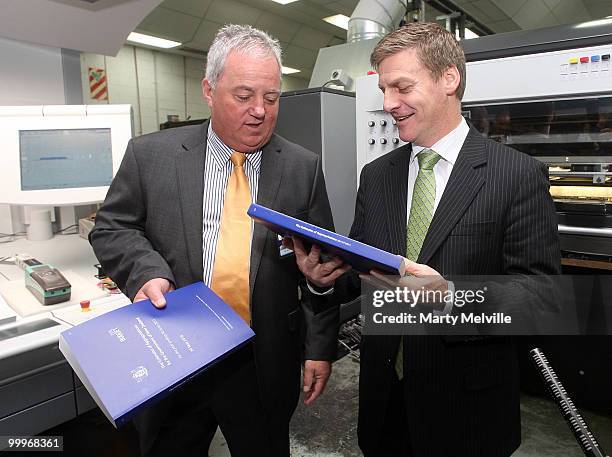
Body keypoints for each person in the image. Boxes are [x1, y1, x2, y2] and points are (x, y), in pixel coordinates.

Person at [293, 22, 560, 457]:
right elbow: (364, 276)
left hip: (467, 408)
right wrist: (322, 278)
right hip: (385, 402)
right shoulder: (377, 177)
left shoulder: (516, 175)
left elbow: (543, 298)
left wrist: (454, 297)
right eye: (383, 89)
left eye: (401, 87)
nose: (387, 104)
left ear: (449, 78)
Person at [89, 24, 340, 457]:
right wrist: (146, 273)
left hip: (262, 359)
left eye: (272, 97)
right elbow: (112, 227)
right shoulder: (151, 157)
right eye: (243, 96)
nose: (260, 110)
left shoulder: (302, 169)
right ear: (209, 90)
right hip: (176, 354)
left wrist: (320, 346)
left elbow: (322, 264)